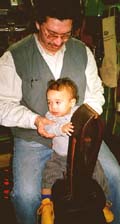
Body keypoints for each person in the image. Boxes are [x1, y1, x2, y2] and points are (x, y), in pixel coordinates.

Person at [0, 0, 119, 223]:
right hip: (34, 139)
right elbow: (2, 104)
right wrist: (35, 120)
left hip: (79, 135)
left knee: (115, 178)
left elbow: (96, 94)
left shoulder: (82, 51)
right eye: (51, 33)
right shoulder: (13, 56)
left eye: (65, 35)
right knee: (26, 197)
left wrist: (80, 124)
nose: (57, 41)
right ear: (38, 23)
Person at [38, 77, 113, 224]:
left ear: (72, 102)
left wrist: (93, 120)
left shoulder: (77, 112)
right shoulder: (50, 116)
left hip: (79, 156)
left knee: (98, 172)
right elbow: (48, 127)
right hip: (59, 156)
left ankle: (103, 203)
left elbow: (89, 121)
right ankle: (47, 204)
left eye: (57, 102)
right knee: (49, 173)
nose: (52, 106)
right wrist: (60, 128)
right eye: (49, 102)